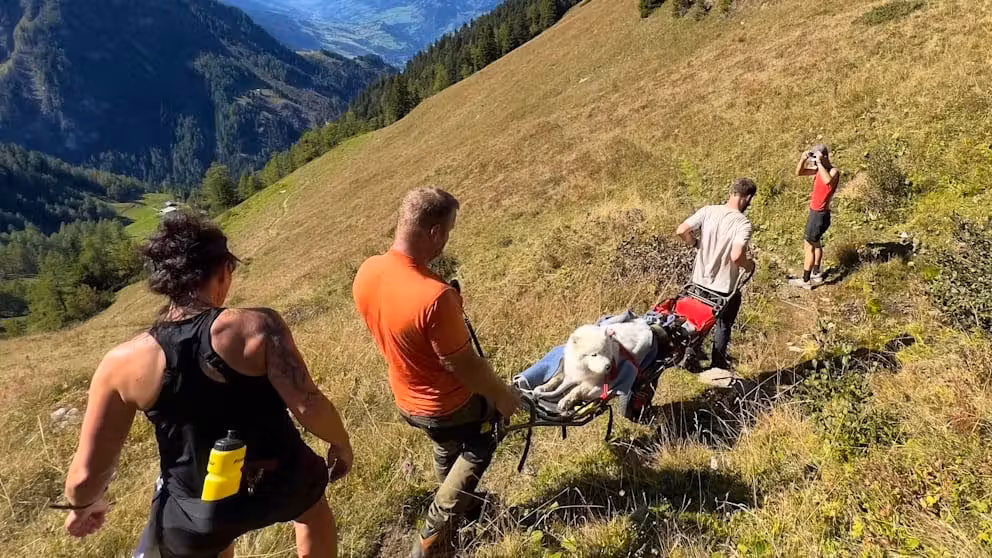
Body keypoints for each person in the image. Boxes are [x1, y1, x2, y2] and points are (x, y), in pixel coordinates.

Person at [61, 210, 353, 558]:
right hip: (282, 479)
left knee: (211, 540)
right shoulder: (257, 327)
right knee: (313, 513)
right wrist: (340, 442)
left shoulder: (121, 363)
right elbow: (308, 403)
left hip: (195, 506)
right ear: (223, 270)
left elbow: (84, 474)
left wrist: (84, 505)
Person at [352, 187, 521, 558]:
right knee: (484, 436)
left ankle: (464, 505)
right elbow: (466, 366)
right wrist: (502, 398)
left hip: (405, 397)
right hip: (445, 404)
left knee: (445, 442)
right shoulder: (434, 296)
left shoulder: (367, 272)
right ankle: (433, 535)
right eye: (448, 231)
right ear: (433, 233)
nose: (446, 239)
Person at [675, 178, 758, 371]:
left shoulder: (708, 211)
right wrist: (749, 265)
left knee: (696, 319)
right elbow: (736, 256)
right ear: (747, 197)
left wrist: (695, 244)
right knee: (723, 324)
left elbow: (681, 230)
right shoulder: (742, 223)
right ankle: (718, 364)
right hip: (723, 287)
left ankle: (688, 356)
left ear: (731, 192)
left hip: (699, 281)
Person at [790, 144, 841, 289]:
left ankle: (805, 281)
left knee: (809, 246)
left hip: (819, 215)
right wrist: (802, 159)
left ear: (824, 156)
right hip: (817, 213)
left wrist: (819, 162)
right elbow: (799, 173)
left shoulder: (833, 171)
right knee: (816, 243)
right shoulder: (819, 170)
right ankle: (816, 273)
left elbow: (828, 181)